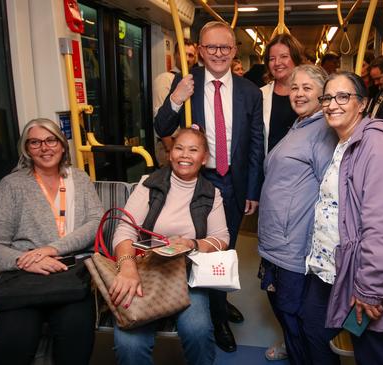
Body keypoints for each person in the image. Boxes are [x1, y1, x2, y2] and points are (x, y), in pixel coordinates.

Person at [154, 20, 265, 352]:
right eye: (211, 47)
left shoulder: (249, 92)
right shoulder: (185, 83)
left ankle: (218, 303)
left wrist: (252, 190)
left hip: (233, 182)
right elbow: (162, 125)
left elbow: (257, 143)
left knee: (225, 249)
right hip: (198, 182)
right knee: (199, 248)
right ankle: (213, 316)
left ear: (234, 51)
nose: (218, 54)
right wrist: (176, 99)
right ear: (200, 50)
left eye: (225, 48)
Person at [301, 72, 383, 365]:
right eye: (327, 98)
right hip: (332, 266)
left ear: (363, 104)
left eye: (343, 97)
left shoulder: (377, 147)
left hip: (363, 273)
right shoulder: (343, 142)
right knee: (312, 326)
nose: (332, 105)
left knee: (374, 350)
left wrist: (370, 289)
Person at [0, 118, 102, 365]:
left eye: (50, 140)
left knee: (75, 338)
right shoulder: (12, 185)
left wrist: (52, 249)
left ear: (62, 144)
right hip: (27, 277)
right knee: (13, 342)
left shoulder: (79, 179)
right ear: (26, 149)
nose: (44, 148)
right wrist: (24, 262)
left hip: (71, 273)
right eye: (35, 142)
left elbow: (96, 223)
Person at [110, 127, 229, 365]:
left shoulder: (210, 193)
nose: (185, 155)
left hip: (185, 273)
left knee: (198, 333)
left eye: (193, 150)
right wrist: (127, 268)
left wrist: (192, 243)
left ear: (204, 158)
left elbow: (221, 238)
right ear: (170, 153)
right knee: (130, 344)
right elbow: (125, 229)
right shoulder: (148, 184)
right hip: (144, 270)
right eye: (179, 148)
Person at [258, 64, 338, 364]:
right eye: (294, 88)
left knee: (298, 316)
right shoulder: (301, 124)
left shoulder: (322, 130)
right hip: (277, 240)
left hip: (295, 244)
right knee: (283, 307)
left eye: (307, 88)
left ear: (322, 94)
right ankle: (296, 354)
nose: (299, 93)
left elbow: (329, 191)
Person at [153, 39, 197, 167]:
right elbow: (161, 118)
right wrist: (172, 151)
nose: (187, 59)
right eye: (184, 54)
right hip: (170, 145)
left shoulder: (194, 80)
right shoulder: (165, 79)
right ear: (175, 55)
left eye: (191, 55)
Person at [261, 33, 303, 153]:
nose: (277, 63)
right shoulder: (260, 95)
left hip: (304, 167)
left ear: (295, 58)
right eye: (272, 59)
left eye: (284, 56)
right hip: (270, 167)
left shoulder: (311, 94)